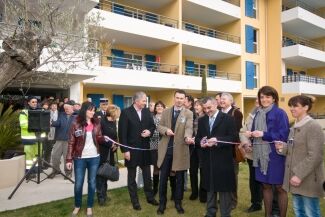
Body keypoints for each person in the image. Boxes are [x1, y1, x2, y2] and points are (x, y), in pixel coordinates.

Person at [275, 95, 324, 217]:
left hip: (307, 178)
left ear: (306, 107)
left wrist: (299, 175)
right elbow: (294, 149)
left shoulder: (313, 126)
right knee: (299, 211)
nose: (291, 108)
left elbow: (315, 156)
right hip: (295, 178)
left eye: (295, 106)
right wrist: (283, 147)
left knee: (311, 212)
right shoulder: (295, 126)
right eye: (290, 106)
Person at [248, 86, 290, 217]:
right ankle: (268, 215)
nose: (264, 99)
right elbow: (256, 133)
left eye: (267, 97)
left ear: (273, 98)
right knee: (265, 186)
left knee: (279, 187)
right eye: (262, 97)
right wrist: (251, 135)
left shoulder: (280, 113)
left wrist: (263, 134)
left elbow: (283, 134)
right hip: (261, 154)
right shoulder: (258, 114)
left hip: (276, 155)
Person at [195, 97, 237, 217]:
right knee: (210, 187)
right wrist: (201, 142)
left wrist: (218, 140)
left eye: (209, 108)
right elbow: (198, 138)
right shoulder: (202, 120)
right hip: (208, 159)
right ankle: (210, 212)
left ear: (216, 104)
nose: (207, 110)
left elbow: (233, 138)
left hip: (223, 160)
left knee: (224, 190)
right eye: (205, 108)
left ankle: (225, 214)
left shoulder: (228, 119)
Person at [118, 91, 158, 211]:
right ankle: (135, 201)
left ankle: (150, 197)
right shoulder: (126, 112)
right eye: (143, 101)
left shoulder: (146, 111)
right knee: (132, 177)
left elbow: (152, 125)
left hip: (145, 149)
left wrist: (149, 132)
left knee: (147, 176)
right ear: (136, 101)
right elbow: (122, 133)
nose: (145, 103)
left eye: (145, 101)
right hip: (131, 150)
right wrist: (125, 150)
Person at [156, 89, 194, 215]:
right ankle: (162, 204)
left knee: (180, 180)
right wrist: (166, 130)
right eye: (177, 98)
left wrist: (187, 137)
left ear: (185, 100)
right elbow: (159, 126)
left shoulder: (188, 113)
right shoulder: (166, 112)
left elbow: (189, 127)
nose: (179, 100)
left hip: (181, 150)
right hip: (166, 151)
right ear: (174, 98)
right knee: (163, 179)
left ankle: (178, 203)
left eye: (182, 98)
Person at [66, 101, 104, 217]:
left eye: (94, 110)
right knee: (78, 183)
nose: (93, 112)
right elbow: (71, 142)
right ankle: (77, 205)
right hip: (79, 158)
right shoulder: (75, 123)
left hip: (94, 158)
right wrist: (68, 159)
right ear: (84, 110)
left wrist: (104, 139)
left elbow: (99, 138)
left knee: (92, 183)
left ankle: (89, 206)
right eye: (90, 110)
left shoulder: (97, 123)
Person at [220, 92, 243, 210]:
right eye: (221, 99)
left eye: (224, 99)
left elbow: (235, 132)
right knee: (222, 175)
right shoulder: (218, 112)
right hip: (219, 150)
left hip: (231, 151)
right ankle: (224, 198)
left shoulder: (237, 113)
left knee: (232, 176)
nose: (222, 101)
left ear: (230, 101)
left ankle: (233, 201)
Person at [239, 99, 262, 213]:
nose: (257, 102)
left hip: (264, 154)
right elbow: (242, 131)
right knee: (253, 180)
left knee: (266, 182)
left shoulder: (270, 115)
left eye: (260, 99)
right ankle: (256, 203)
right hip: (251, 153)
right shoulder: (251, 115)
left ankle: (270, 203)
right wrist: (246, 143)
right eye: (256, 100)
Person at [96, 104, 120, 206]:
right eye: (117, 113)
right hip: (102, 152)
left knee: (106, 174)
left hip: (111, 153)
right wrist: (111, 144)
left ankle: (104, 194)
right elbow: (99, 137)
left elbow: (114, 136)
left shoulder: (113, 122)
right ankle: (100, 197)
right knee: (100, 175)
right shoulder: (101, 122)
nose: (118, 115)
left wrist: (116, 144)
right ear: (113, 113)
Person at [19, 96, 46, 178]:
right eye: (33, 102)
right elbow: (23, 124)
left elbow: (44, 123)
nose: (35, 103)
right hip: (29, 139)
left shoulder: (41, 111)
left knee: (37, 155)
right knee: (29, 157)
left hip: (39, 138)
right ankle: (29, 172)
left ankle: (36, 170)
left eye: (36, 102)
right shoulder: (24, 112)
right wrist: (35, 125)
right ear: (28, 102)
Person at [48, 100, 76, 179]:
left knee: (67, 158)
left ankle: (68, 172)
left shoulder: (76, 116)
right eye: (65, 108)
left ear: (72, 108)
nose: (65, 110)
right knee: (54, 156)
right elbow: (58, 123)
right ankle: (55, 170)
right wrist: (51, 123)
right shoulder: (61, 115)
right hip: (59, 139)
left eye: (67, 108)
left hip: (69, 141)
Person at [150, 101, 166, 196]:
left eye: (161, 106)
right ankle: (155, 188)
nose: (159, 107)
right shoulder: (151, 118)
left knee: (165, 168)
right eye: (157, 106)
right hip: (154, 146)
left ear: (164, 108)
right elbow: (151, 131)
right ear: (155, 108)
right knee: (156, 167)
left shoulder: (167, 119)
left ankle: (163, 188)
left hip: (165, 146)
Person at [193, 99, 207, 203]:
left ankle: (203, 195)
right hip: (193, 146)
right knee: (193, 170)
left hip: (202, 147)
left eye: (198, 105)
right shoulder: (195, 117)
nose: (196, 107)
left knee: (203, 171)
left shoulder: (206, 118)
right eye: (195, 105)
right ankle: (194, 193)